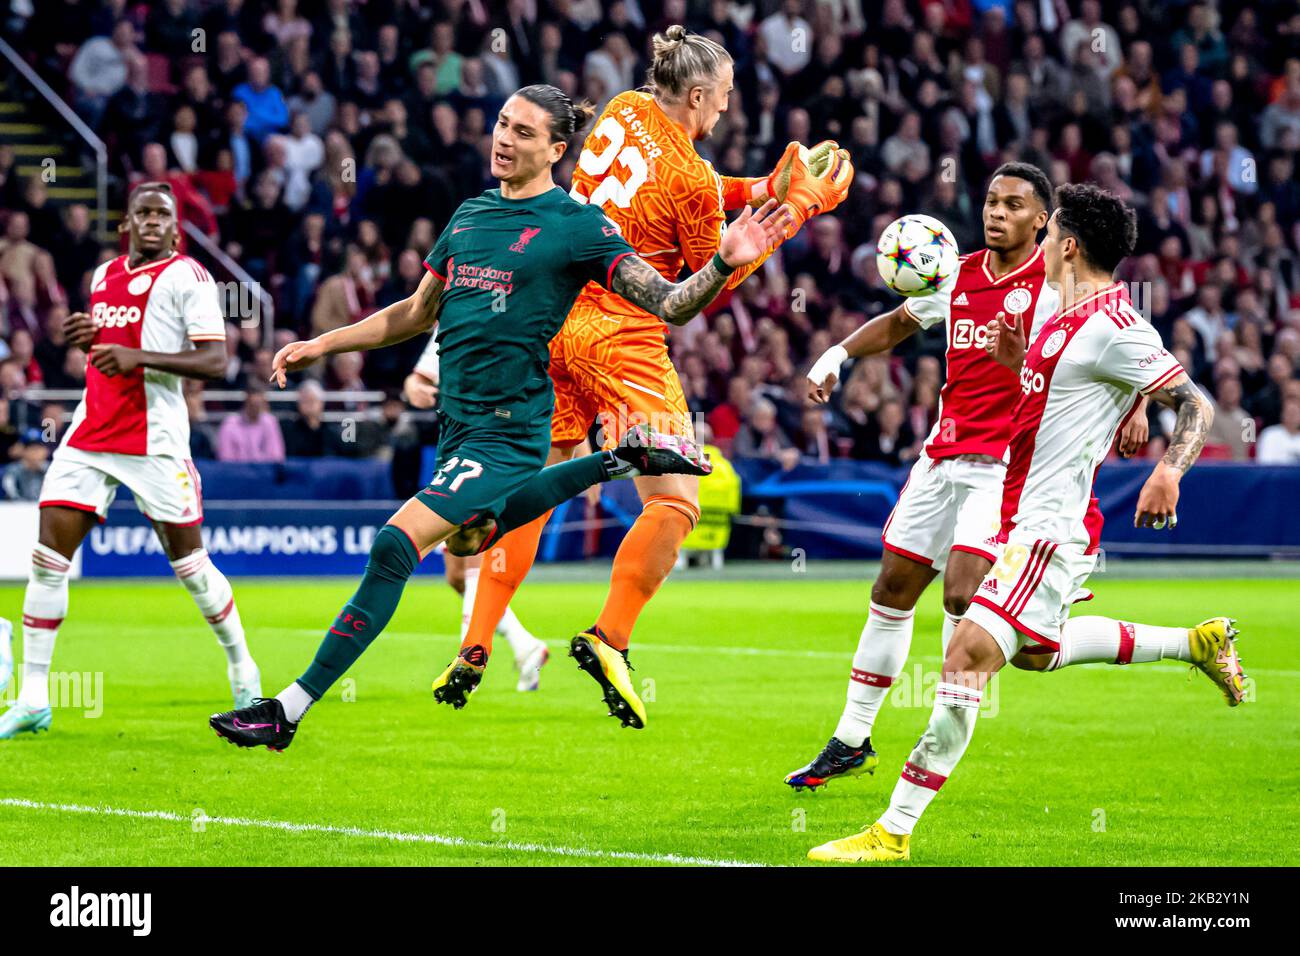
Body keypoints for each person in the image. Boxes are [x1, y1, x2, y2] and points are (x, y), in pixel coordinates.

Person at [208, 83, 790, 752]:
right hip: (459, 425)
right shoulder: (471, 214)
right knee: (469, 543)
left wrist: (721, 263)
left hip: (513, 427)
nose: (504, 139)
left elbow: (669, 302)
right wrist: (323, 343)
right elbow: (413, 313)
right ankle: (617, 460)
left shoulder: (579, 226)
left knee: (396, 545)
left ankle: (285, 709)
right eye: (502, 124)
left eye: (522, 131)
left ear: (555, 148)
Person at [808, 184, 1244, 863]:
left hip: (1045, 532)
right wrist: (1023, 363)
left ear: (1067, 244)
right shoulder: (1061, 319)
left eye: (1047, 235)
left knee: (963, 661)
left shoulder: (1115, 325)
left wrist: (1169, 471)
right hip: (1018, 522)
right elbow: (1065, 394)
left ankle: (891, 831)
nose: (1035, 247)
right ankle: (1196, 644)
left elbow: (1194, 405)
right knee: (1037, 653)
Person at [457, 26, 851, 730]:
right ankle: (609, 639)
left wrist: (761, 185)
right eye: (724, 99)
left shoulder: (623, 107)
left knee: (538, 485)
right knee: (676, 503)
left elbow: (685, 189)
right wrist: (795, 211)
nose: (726, 110)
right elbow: (706, 280)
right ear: (698, 95)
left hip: (552, 318)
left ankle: (477, 641)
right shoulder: (693, 178)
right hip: (622, 334)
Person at [0, 183, 261, 740]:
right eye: (142, 212)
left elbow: (215, 360)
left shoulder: (189, 277)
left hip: (155, 441)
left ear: (174, 227)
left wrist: (135, 354)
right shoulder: (101, 276)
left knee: (191, 570)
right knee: (48, 557)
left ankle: (242, 667)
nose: (151, 221)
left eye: (162, 215)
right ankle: (33, 696)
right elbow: (109, 348)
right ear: (127, 222)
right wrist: (89, 337)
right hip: (90, 431)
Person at [402, 335, 549, 691]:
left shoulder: (515, 313)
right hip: (456, 451)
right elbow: (418, 377)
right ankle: (525, 644)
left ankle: (468, 660)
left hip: (499, 453)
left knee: (472, 562)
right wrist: (414, 389)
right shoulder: (455, 320)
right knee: (456, 572)